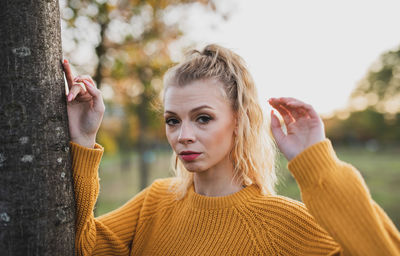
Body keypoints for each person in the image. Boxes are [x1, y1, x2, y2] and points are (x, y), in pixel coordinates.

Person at [63, 44, 400, 256]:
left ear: (239, 122)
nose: (183, 135)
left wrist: (319, 166)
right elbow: (83, 246)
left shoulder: (281, 225)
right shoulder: (155, 201)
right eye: (172, 121)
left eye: (203, 118)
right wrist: (84, 138)